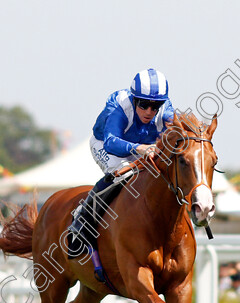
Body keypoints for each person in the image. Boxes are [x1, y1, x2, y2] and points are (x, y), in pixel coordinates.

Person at [67, 68, 175, 245]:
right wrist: (140, 148)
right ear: (134, 99)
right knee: (124, 174)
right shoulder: (119, 105)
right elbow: (111, 142)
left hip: (143, 146)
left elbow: (177, 132)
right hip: (106, 144)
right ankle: (83, 218)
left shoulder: (166, 109)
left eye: (155, 106)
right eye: (143, 104)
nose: (149, 111)